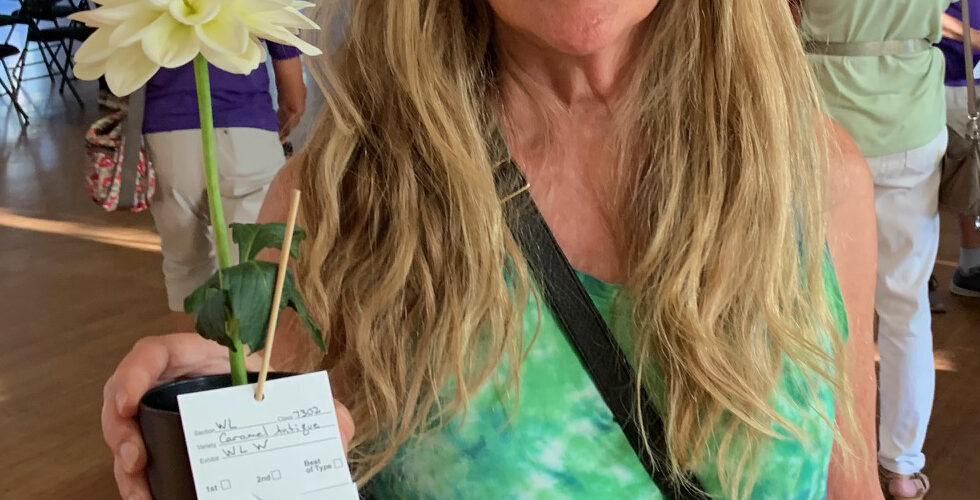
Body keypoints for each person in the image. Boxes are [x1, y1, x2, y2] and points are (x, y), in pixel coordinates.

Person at [102, 1, 881, 499]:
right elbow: (280, 460)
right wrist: (219, 414)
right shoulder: (341, 202)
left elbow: (848, 486)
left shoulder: (815, 177)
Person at [800, 1, 950, 498]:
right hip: (912, 118)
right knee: (906, 306)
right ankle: (902, 469)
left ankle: (825, 457)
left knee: (818, 302)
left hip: (823, 118)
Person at [143, 41, 307, 325]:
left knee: (183, 267)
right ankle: (248, 352)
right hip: (248, 134)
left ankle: (191, 353)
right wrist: (280, 121)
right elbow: (294, 97)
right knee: (253, 265)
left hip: (167, 136)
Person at [940, 1, 980, 300]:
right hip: (951, 77)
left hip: (976, 76)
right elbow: (918, 12)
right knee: (956, 170)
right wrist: (974, 37)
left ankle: (973, 265)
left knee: (975, 169)